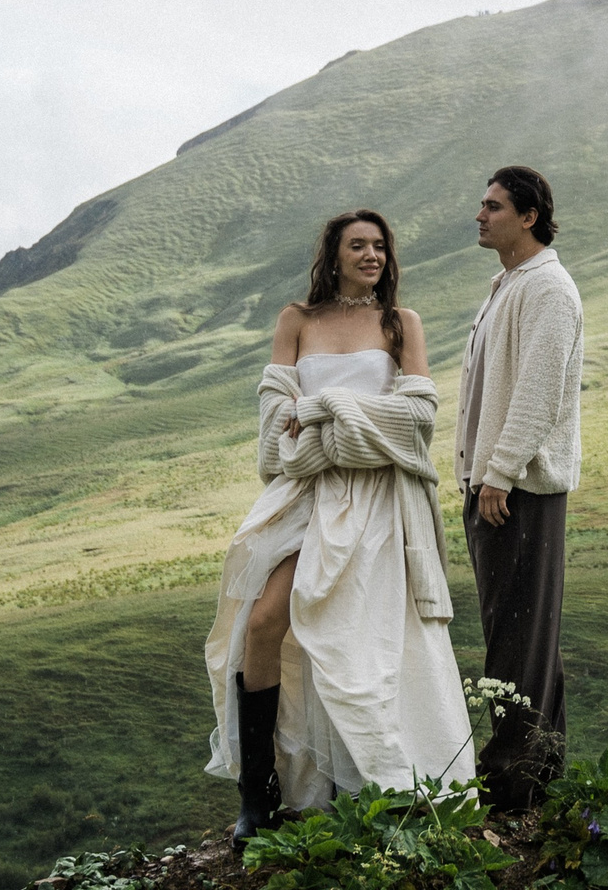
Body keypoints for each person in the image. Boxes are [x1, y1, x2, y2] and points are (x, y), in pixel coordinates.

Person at [203, 208, 473, 844]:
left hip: (378, 505)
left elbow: (416, 422)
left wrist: (322, 410)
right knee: (265, 619)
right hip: (303, 498)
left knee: (360, 640)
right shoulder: (297, 321)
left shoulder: (400, 324)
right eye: (358, 245)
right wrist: (343, 432)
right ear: (333, 253)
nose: (371, 255)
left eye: (380, 245)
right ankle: (258, 793)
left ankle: (377, 783)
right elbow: (274, 438)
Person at [454, 165, 583, 811]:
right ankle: (541, 783)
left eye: (493, 205)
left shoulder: (548, 288)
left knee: (515, 638)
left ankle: (509, 788)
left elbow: (539, 390)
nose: (480, 215)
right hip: (496, 486)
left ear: (528, 215)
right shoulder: (507, 284)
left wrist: (498, 473)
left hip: (517, 490)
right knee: (526, 636)